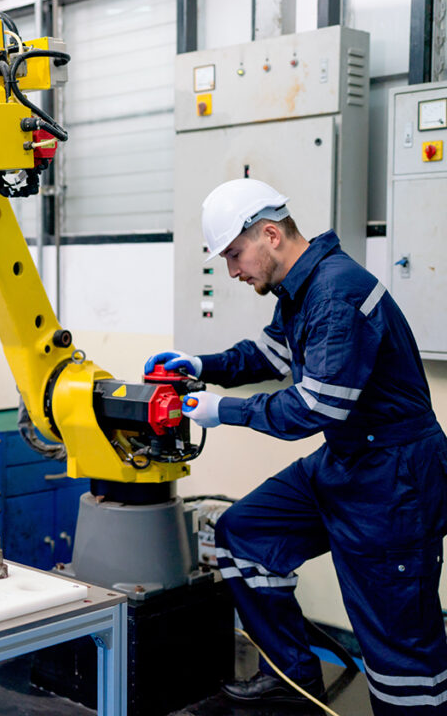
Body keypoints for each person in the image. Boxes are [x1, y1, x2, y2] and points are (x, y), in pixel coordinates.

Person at [146, 178, 447, 715]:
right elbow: (267, 357)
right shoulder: (300, 290)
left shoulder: (336, 292)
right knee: (242, 536)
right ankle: (292, 676)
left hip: (394, 481)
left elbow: (314, 408)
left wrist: (222, 411)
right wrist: (199, 366)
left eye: (236, 255)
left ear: (269, 234)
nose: (234, 271)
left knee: (399, 648)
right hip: (349, 462)